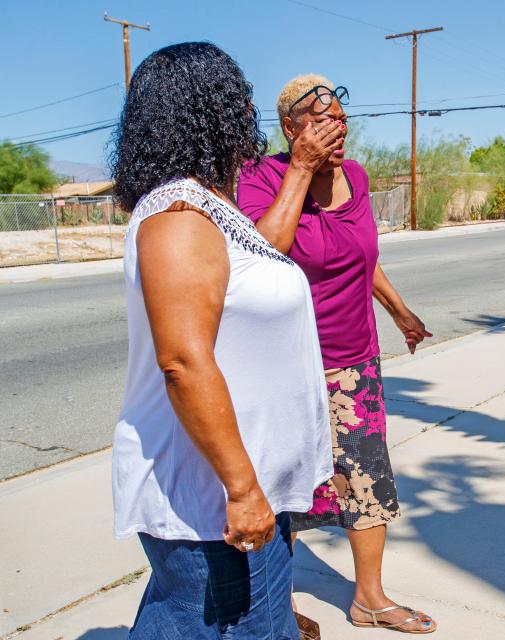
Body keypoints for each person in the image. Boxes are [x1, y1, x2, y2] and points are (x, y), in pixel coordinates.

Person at [111, 43, 332, 638]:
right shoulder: (178, 215)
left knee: (193, 623)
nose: (250, 113)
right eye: (241, 100)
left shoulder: (210, 207)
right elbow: (182, 361)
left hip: (241, 485)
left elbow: (260, 262)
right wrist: (242, 488)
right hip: (214, 497)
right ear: (212, 110)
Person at [237, 74, 435, 634]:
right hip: (286, 367)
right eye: (321, 121)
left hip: (355, 358)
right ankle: (278, 607)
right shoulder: (260, 177)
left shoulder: (356, 177)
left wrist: (398, 310)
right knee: (285, 488)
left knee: (368, 479)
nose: (336, 129)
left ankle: (369, 599)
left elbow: (361, 255)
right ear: (291, 128)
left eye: (341, 120)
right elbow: (261, 253)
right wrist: (300, 169)